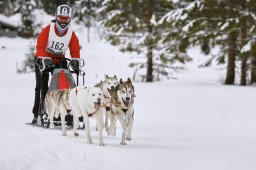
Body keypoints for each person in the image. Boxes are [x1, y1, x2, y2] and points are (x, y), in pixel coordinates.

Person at [32, 4, 80, 124]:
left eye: (66, 19)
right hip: (43, 59)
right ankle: (38, 113)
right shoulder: (48, 29)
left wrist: (75, 59)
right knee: (41, 87)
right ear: (56, 17)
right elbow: (40, 46)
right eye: (61, 18)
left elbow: (75, 48)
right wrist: (44, 57)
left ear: (69, 19)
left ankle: (65, 111)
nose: (63, 21)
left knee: (64, 85)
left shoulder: (70, 33)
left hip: (59, 60)